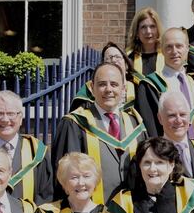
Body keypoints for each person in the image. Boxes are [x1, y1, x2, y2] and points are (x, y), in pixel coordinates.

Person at [52, 62, 147, 203]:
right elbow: (64, 176)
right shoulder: (75, 123)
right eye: (102, 84)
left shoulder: (135, 123)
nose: (108, 89)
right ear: (92, 88)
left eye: (114, 84)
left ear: (123, 89)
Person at [134, 27, 194, 138]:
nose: (174, 51)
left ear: (187, 48)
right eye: (169, 47)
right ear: (162, 50)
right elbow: (151, 130)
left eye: (179, 46)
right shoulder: (150, 85)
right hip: (167, 151)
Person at [70, 42, 138, 112]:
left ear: (126, 64)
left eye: (118, 57)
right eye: (108, 58)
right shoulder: (89, 90)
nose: (114, 60)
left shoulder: (138, 88)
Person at [127, 7, 165, 78]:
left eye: (152, 26)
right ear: (137, 32)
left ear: (158, 30)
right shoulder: (128, 58)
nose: (148, 31)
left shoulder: (166, 55)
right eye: (143, 27)